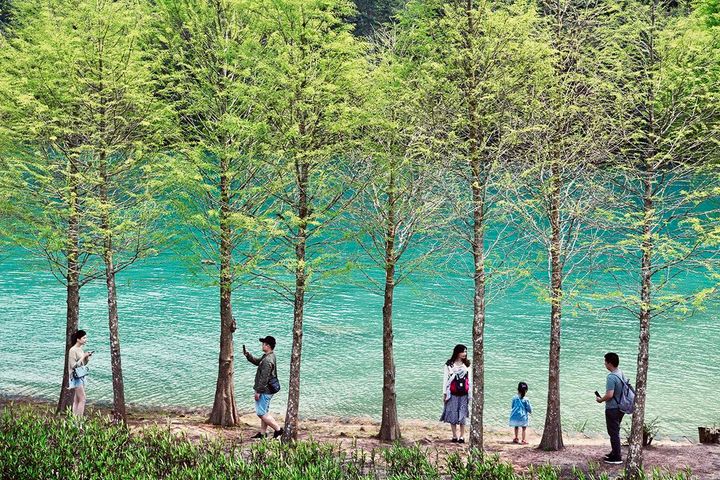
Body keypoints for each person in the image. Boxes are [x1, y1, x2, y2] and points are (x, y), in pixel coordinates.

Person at [244, 336, 283, 439]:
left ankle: (278, 430)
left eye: (263, 344)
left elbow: (264, 378)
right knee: (264, 412)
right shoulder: (269, 356)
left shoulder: (268, 360)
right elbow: (257, 362)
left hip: (265, 390)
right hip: (267, 389)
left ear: (268, 346)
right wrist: (248, 356)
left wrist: (258, 391)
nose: (262, 345)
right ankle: (262, 434)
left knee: (261, 413)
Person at [596, 352, 626, 464]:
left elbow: (609, 395)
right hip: (621, 407)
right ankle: (614, 452)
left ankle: (617, 457)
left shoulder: (611, 377)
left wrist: (600, 400)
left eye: (605, 362)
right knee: (615, 431)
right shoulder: (621, 373)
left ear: (609, 363)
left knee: (613, 432)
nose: (604, 364)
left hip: (612, 408)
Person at [440, 344, 471, 443]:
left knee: (462, 415)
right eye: (463, 351)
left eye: (466, 352)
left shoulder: (467, 364)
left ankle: (462, 436)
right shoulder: (449, 365)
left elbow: (470, 380)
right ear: (457, 352)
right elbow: (445, 379)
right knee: (452, 414)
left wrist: (470, 394)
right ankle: (454, 435)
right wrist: (444, 393)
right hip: (452, 392)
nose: (465, 354)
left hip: (464, 393)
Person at [67, 329, 93, 416]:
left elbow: (83, 364)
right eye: (84, 338)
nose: (86, 340)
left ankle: (74, 420)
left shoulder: (80, 349)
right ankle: (79, 422)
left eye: (86, 338)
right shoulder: (73, 350)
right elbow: (73, 365)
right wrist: (83, 357)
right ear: (78, 339)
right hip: (75, 377)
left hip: (81, 375)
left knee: (77, 399)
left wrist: (87, 358)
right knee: (83, 399)